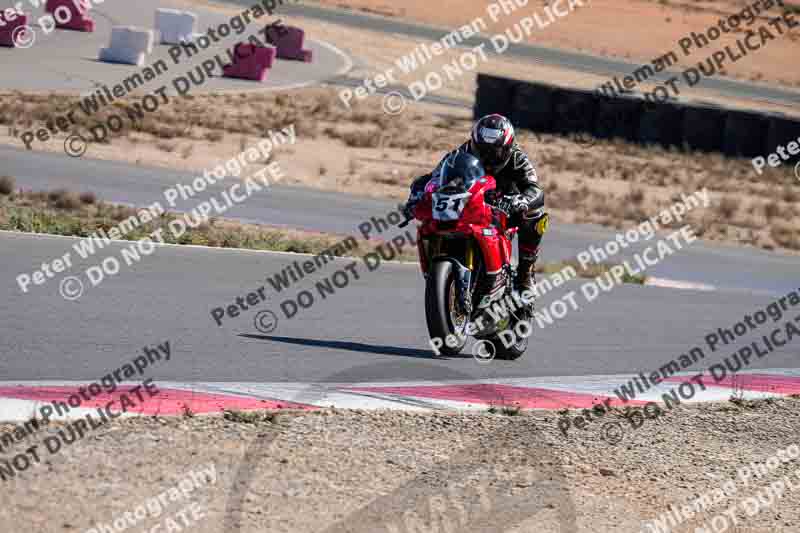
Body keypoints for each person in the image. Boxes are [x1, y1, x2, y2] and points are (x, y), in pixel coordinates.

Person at [403, 114, 548, 311]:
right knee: (431, 223)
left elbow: (535, 189)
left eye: (494, 151)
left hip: (505, 206)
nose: (488, 157)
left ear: (507, 146)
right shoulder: (460, 153)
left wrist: (521, 200)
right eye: (482, 150)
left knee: (534, 215)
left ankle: (525, 272)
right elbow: (434, 178)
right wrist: (417, 196)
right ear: (474, 142)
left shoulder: (518, 158)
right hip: (471, 205)